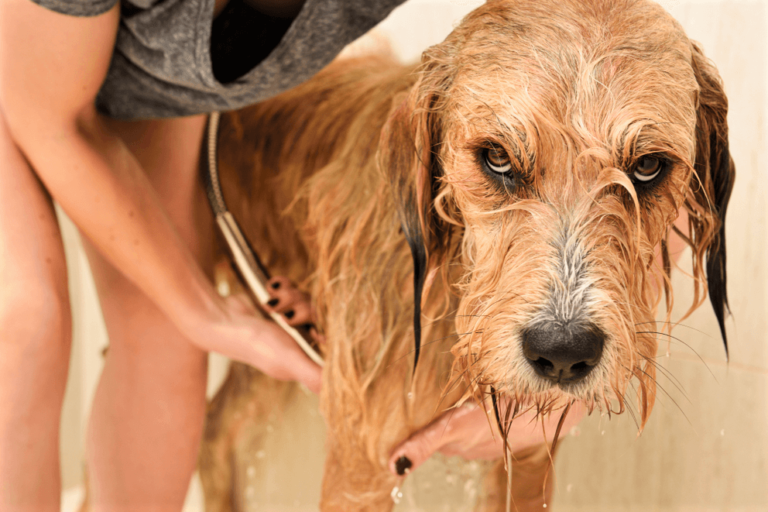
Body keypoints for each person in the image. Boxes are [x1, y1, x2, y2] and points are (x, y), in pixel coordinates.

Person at [5, 0, 687, 508]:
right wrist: (207, 311)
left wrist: (610, 329)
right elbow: (44, 111)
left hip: (159, 79)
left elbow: (629, 77)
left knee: (161, 347)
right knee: (26, 320)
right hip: (28, 65)